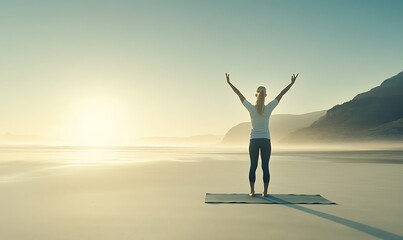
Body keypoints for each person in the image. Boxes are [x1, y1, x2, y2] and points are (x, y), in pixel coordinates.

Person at [226, 72, 299, 197]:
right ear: (265, 95)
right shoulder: (269, 107)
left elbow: (239, 94)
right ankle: (265, 192)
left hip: (254, 141)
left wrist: (229, 83)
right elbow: (281, 94)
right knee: (265, 166)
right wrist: (291, 83)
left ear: (256, 94)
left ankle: (252, 191)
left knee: (253, 166)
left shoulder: (251, 108)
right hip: (266, 141)